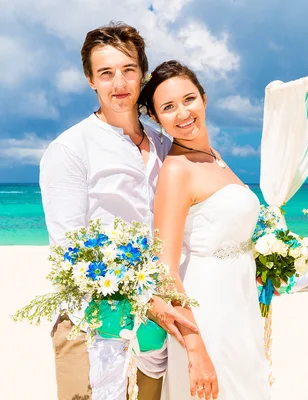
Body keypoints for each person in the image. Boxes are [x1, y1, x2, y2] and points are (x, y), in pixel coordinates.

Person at [39, 22, 197, 400]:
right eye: (106, 73)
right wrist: (142, 299)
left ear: (143, 73)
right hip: (92, 321)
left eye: (128, 70)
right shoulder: (70, 150)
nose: (119, 83)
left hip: (159, 326)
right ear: (90, 80)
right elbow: (68, 250)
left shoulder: (165, 144)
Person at [138, 60, 271, 400]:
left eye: (189, 99)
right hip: (208, 307)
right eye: (168, 107)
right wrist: (195, 347)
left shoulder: (213, 156)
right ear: (156, 118)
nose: (183, 113)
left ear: (204, 99)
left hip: (239, 301)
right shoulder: (177, 170)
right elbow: (164, 270)